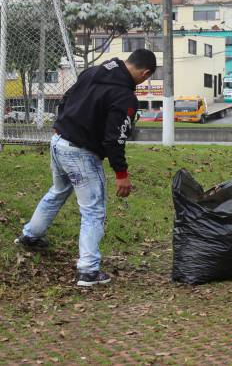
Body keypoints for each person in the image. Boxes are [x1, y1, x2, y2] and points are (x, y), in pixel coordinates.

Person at [14, 49, 157, 287]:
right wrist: (121, 174)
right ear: (145, 73)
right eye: (147, 78)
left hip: (58, 142)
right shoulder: (124, 96)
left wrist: (61, 124)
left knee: (58, 191)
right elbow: (115, 138)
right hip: (81, 153)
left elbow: (66, 98)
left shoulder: (94, 71)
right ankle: (88, 271)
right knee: (93, 210)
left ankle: (30, 236)